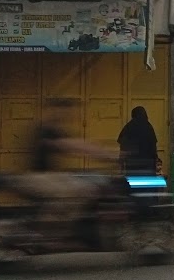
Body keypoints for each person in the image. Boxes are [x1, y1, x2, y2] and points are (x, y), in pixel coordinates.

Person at [14, 99, 117, 238]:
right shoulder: (46, 130)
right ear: (56, 110)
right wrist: (107, 155)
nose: (68, 116)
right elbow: (71, 145)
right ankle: (49, 234)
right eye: (66, 112)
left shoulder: (51, 129)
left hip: (46, 177)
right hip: (39, 178)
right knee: (85, 190)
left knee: (84, 182)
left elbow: (73, 145)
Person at [117, 106, 159, 175]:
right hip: (148, 167)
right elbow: (154, 147)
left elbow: (123, 146)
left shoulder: (128, 127)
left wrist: (121, 164)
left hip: (132, 167)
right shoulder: (148, 127)